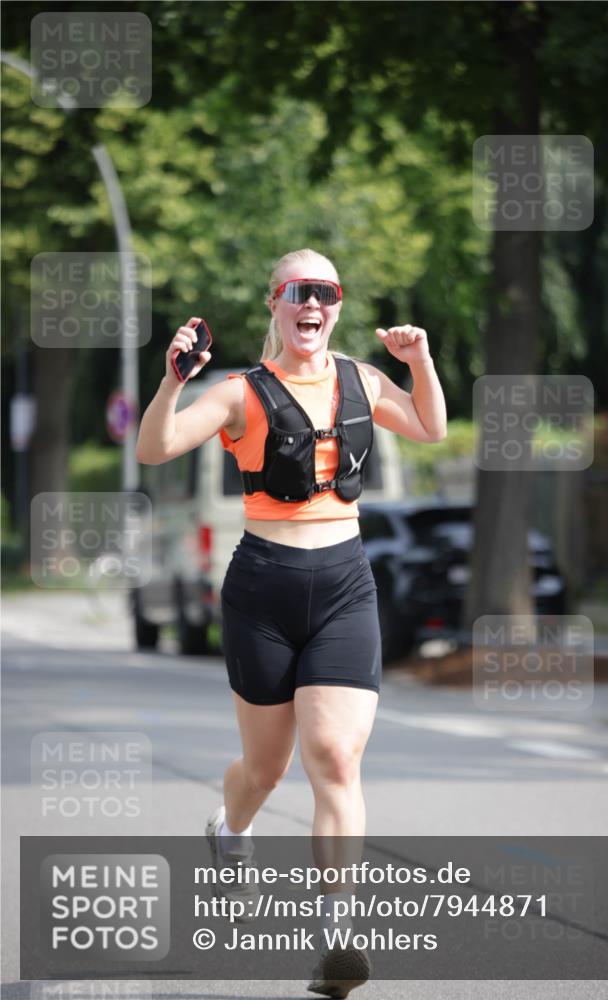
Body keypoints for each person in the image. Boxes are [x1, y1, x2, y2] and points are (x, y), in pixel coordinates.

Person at [135, 247, 447, 998]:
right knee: (264, 771)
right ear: (274, 303)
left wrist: (421, 361)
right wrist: (170, 383)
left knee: (335, 759)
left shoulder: (364, 382)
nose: (312, 303)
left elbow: (431, 428)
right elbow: (154, 448)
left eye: (326, 292)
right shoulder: (240, 393)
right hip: (262, 590)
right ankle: (230, 831)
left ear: (336, 305)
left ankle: (336, 942)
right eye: (297, 292)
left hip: (343, 584)